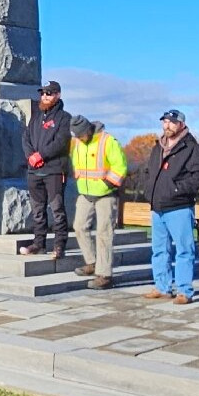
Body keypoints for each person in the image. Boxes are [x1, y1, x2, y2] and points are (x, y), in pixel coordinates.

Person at [140, 109, 199, 304]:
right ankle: (162, 287)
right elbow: (149, 172)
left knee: (184, 250)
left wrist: (178, 189)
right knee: (159, 250)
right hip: (158, 207)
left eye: (171, 122)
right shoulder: (158, 146)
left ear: (180, 124)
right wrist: (149, 191)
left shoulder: (191, 148)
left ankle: (184, 291)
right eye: (164, 122)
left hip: (179, 207)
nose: (167, 126)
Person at [69, 115, 128, 290]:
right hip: (85, 193)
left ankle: (104, 275)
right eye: (76, 136)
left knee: (104, 233)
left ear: (87, 130)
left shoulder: (107, 141)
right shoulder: (78, 142)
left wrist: (107, 184)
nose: (78, 138)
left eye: (80, 135)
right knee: (79, 226)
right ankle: (92, 262)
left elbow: (120, 166)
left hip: (106, 194)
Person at [20, 80, 72, 258]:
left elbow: (61, 142)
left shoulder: (64, 118)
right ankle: (38, 243)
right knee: (37, 210)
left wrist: (41, 155)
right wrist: (31, 156)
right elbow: (25, 137)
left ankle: (59, 246)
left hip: (54, 170)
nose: (44, 96)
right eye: (42, 93)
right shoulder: (36, 117)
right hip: (34, 171)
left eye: (48, 93)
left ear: (57, 95)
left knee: (57, 209)